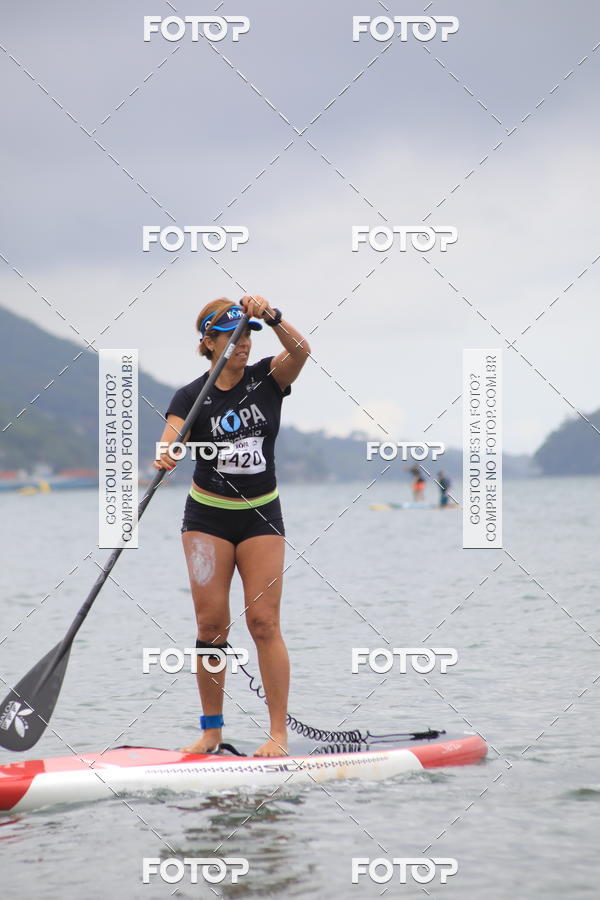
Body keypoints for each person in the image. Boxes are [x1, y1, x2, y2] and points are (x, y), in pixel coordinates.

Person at [155, 295, 310, 757]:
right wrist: (167, 452)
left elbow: (301, 352)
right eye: (232, 336)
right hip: (207, 518)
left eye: (247, 335)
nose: (242, 344)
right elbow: (171, 436)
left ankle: (277, 735)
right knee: (211, 625)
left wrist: (274, 317)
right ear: (208, 341)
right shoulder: (190, 396)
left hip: (261, 515)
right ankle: (211, 731)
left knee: (263, 623)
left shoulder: (268, 376)